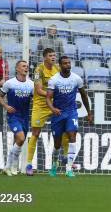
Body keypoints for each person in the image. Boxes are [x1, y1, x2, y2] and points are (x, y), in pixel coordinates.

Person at [46, 56, 93, 178]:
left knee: (72, 137)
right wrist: (53, 109)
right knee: (57, 144)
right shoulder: (54, 80)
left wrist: (89, 112)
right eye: (65, 63)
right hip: (58, 114)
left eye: (69, 63)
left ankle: (68, 169)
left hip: (71, 112)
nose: (68, 65)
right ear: (60, 66)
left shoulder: (76, 78)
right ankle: (54, 165)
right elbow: (48, 98)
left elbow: (84, 96)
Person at [26, 48, 66, 176]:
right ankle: (28, 164)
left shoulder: (58, 69)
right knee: (35, 133)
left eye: (54, 55)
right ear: (44, 57)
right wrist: (54, 95)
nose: (53, 57)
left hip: (54, 105)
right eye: (50, 55)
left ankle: (65, 158)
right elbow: (38, 90)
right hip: (40, 106)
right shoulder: (38, 70)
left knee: (64, 130)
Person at [0, 61, 34, 176]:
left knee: (19, 141)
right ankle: (11, 166)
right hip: (13, 116)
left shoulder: (31, 84)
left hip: (25, 117)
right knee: (21, 138)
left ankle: (9, 167)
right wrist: (6, 106)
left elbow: (36, 99)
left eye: (27, 66)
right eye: (23, 66)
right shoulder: (10, 83)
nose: (26, 68)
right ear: (17, 69)